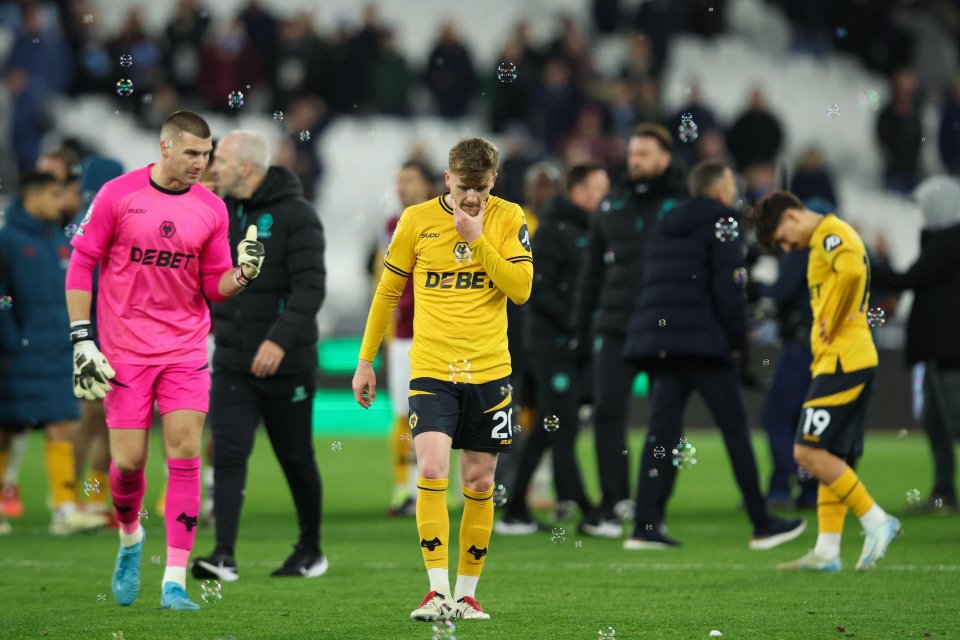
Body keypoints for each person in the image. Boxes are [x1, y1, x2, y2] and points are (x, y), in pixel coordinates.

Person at [65, 111, 265, 610]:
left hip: (184, 350)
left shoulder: (212, 209)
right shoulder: (117, 194)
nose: (202, 162)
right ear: (165, 147)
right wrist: (81, 339)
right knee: (128, 463)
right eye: (193, 153)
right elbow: (81, 262)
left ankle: (174, 579)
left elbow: (212, 287)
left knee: (184, 452)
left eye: (208, 153)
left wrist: (241, 275)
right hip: (124, 351)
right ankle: (130, 541)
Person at [352, 137, 532, 621]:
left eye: (480, 187)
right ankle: (436, 590)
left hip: (490, 371)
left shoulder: (509, 218)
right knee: (430, 469)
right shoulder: (415, 221)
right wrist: (366, 361)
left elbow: (520, 290)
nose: (470, 197)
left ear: (492, 180)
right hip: (431, 367)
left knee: (480, 478)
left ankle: (468, 594)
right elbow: (387, 293)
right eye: (463, 186)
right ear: (447, 178)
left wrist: (477, 239)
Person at [621, 159, 805, 550]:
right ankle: (761, 521)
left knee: (661, 433)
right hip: (706, 344)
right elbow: (729, 289)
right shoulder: (724, 223)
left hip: (664, 344)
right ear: (721, 191)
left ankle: (645, 525)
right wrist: (739, 340)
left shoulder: (666, 223)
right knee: (735, 431)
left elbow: (651, 283)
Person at [191, 130, 327, 582]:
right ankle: (223, 554)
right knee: (227, 454)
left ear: (246, 168)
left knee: (295, 458)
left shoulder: (298, 215)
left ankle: (310, 549)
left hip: (287, 364)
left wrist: (279, 341)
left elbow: (310, 288)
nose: (214, 168)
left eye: (222, 161)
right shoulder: (218, 213)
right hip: (232, 360)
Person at [753, 190, 901, 572]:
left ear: (790, 218)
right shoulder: (824, 238)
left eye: (783, 240)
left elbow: (853, 272)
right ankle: (827, 551)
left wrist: (832, 321)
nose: (787, 248)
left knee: (807, 452)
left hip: (844, 361)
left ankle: (876, 519)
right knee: (829, 456)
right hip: (838, 360)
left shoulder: (831, 232)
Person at [573, 123, 686, 537]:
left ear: (665, 159)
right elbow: (590, 277)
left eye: (643, 154)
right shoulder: (612, 205)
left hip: (667, 330)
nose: (634, 160)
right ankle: (614, 499)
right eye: (632, 153)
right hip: (617, 325)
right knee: (607, 414)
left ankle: (654, 504)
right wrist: (580, 330)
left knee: (667, 422)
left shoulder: (681, 205)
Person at [496, 162, 608, 534]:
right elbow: (538, 292)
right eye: (597, 189)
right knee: (563, 427)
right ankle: (589, 510)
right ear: (578, 190)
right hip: (549, 345)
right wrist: (578, 322)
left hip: (567, 344)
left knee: (547, 425)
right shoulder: (552, 233)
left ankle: (514, 510)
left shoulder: (582, 228)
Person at [0, 172, 108, 535]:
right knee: (6, 429)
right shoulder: (6, 239)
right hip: (16, 354)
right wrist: (11, 340)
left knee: (64, 424)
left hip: (58, 350)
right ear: (33, 196)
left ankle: (64, 508)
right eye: (54, 194)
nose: (62, 201)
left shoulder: (59, 241)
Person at [871, 176, 960, 513]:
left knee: (952, 422)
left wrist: (868, 264)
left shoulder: (949, 242)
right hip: (940, 349)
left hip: (947, 350)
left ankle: (944, 493)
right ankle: (943, 494)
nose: (920, 215)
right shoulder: (945, 242)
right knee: (938, 425)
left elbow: (910, 279)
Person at [384, 160, 435, 517]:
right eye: (399, 180)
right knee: (404, 413)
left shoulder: (439, 222)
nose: (402, 186)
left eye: (410, 180)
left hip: (435, 333)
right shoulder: (390, 225)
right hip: (402, 334)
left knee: (437, 413)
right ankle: (405, 489)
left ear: (427, 185)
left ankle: (431, 486)